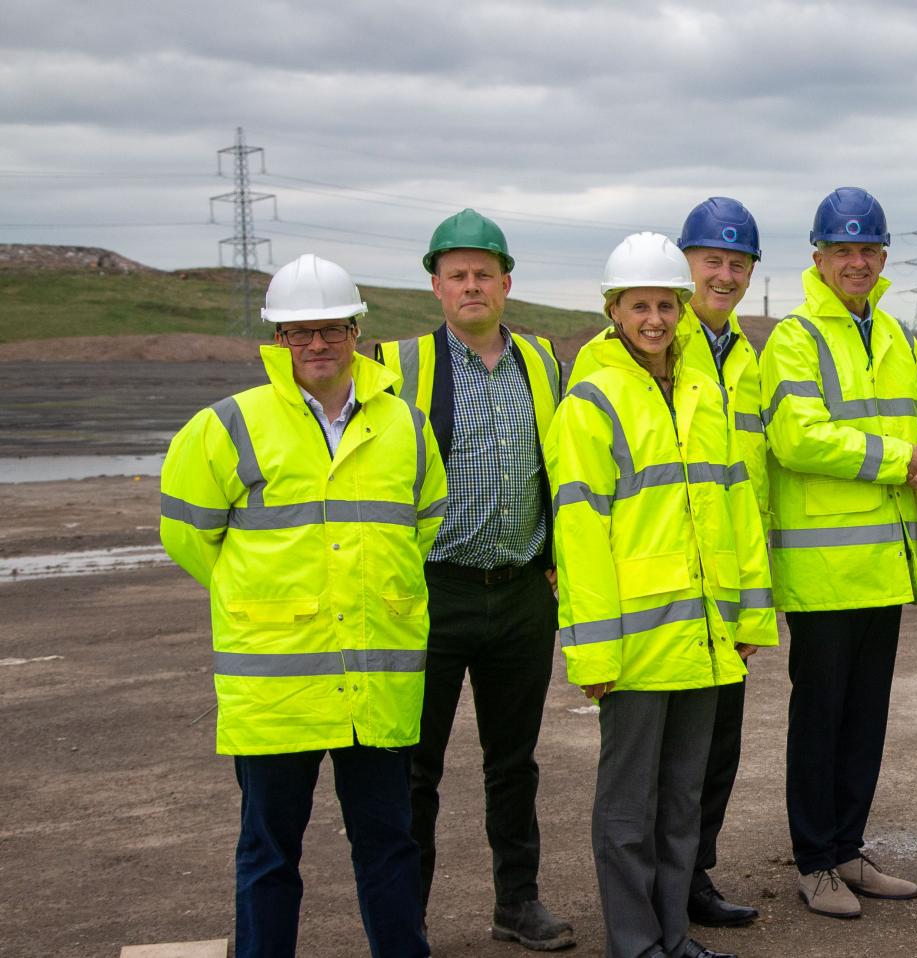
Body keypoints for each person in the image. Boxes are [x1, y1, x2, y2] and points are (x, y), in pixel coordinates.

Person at [159, 254, 445, 958]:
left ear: (356, 332)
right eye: (297, 332)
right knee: (268, 853)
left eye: (330, 330)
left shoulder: (405, 426)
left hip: (374, 685)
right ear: (276, 340)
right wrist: (262, 604)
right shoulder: (227, 427)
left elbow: (424, 524)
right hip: (276, 688)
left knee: (389, 846)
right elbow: (190, 538)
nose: (315, 345)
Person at [548, 232, 773, 958]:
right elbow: (579, 535)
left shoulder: (704, 392)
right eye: (638, 305)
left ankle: (674, 937)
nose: (653, 319)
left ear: (681, 307)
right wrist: (592, 650)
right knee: (627, 810)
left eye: (664, 305)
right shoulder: (591, 400)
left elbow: (737, 507)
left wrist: (748, 618)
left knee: (680, 804)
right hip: (636, 646)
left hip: (705, 638)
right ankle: (635, 943)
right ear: (612, 309)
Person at [374, 207, 572, 952]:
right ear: (435, 286)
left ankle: (517, 903)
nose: (470, 286)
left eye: (483, 273)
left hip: (522, 591)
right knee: (414, 768)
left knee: (514, 762)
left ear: (506, 282)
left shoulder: (544, 362)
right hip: (434, 592)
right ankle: (407, 917)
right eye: (456, 274)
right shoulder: (398, 367)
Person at [760, 187, 917, 919]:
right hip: (823, 568)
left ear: (884, 256)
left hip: (882, 565)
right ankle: (813, 860)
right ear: (819, 257)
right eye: (843, 250)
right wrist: (901, 459)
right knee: (822, 717)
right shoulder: (795, 337)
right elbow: (797, 437)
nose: (856, 261)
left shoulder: (895, 336)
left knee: (866, 717)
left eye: (867, 250)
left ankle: (847, 850)